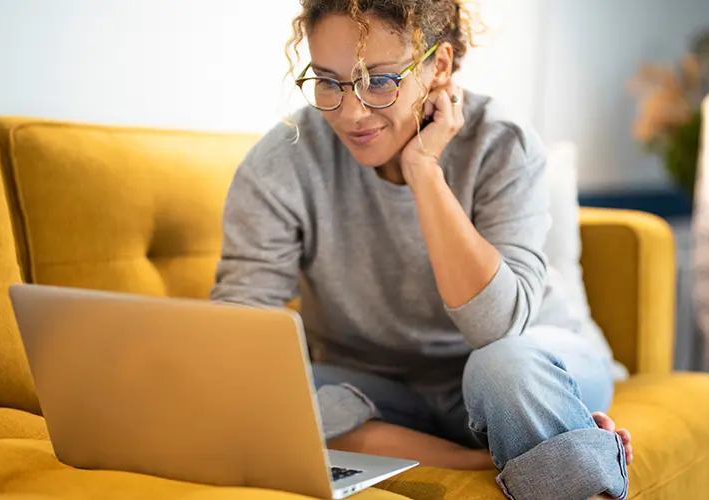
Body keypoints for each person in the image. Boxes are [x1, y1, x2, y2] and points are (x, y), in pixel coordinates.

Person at [212, 1, 632, 498]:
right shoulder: (280, 164)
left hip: (522, 361)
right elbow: (237, 337)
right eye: (328, 81)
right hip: (378, 388)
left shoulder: (501, 144)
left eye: (380, 80)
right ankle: (477, 456)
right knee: (268, 389)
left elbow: (496, 329)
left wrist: (424, 172)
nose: (351, 112)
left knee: (504, 369)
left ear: (439, 66)